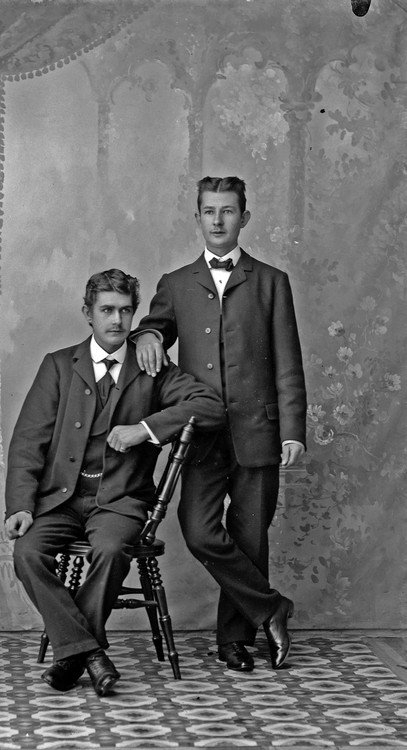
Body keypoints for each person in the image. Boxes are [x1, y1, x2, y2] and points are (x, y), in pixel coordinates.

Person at [4, 268, 225, 696]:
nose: (117, 320)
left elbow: (210, 406)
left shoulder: (151, 367)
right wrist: (21, 506)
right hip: (60, 500)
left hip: (119, 501)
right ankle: (89, 653)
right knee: (27, 552)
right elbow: (28, 443)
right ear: (88, 313)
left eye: (125, 311)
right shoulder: (58, 366)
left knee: (109, 550)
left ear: (134, 314)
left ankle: (72, 653)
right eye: (107, 310)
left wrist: (145, 428)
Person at [134, 176, 307, 672]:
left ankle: (235, 640)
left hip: (260, 432)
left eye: (227, 211)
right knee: (199, 530)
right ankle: (271, 607)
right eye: (209, 211)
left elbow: (288, 362)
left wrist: (292, 430)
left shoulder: (271, 281)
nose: (217, 220)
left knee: (250, 539)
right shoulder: (176, 283)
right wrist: (148, 335)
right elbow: (155, 326)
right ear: (197, 218)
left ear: (243, 218)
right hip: (202, 435)